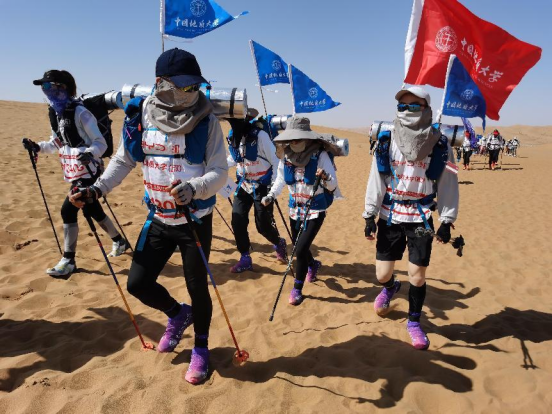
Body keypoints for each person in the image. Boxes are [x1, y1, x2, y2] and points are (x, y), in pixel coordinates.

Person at [69, 48, 228, 384]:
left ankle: (201, 347)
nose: (191, 92)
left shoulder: (207, 120)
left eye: (194, 86)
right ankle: (177, 314)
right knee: (138, 284)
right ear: (161, 82)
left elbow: (219, 172)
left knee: (198, 288)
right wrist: (96, 190)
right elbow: (124, 160)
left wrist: (194, 188)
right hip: (158, 218)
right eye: (183, 86)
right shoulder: (140, 114)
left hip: (194, 220)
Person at [363, 86, 459, 350]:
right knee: (382, 274)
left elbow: (449, 182)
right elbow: (376, 178)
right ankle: (390, 287)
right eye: (402, 106)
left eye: (414, 106)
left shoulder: (441, 144)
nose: (407, 111)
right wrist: (370, 215)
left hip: (421, 219)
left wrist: (447, 220)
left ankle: (414, 322)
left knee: (417, 276)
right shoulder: (386, 140)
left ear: (426, 109)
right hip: (390, 216)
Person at [23, 70, 128, 277]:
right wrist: (38, 147)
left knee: (68, 210)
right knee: (93, 210)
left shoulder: (81, 113)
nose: (46, 91)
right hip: (73, 170)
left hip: (89, 171)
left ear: (63, 87)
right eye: (43, 87)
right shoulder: (56, 113)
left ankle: (68, 260)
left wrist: (89, 153)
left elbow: (100, 143)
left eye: (49, 86)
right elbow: (58, 142)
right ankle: (119, 241)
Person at [267, 116, 339, 306]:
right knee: (300, 245)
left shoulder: (320, 155)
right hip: (294, 210)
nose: (294, 142)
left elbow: (333, 185)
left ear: (307, 138)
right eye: (291, 138)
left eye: (298, 138)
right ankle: (313, 264)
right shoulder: (286, 156)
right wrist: (271, 195)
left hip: (315, 209)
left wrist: (325, 177)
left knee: (299, 249)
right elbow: (280, 180)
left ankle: (297, 288)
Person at [226, 110, 287, 273]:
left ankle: (278, 242)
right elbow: (233, 158)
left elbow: (276, 162)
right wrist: (216, 167)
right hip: (243, 185)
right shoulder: (233, 137)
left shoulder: (261, 136)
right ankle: (245, 257)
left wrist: (272, 188)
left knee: (263, 226)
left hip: (262, 186)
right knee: (237, 221)